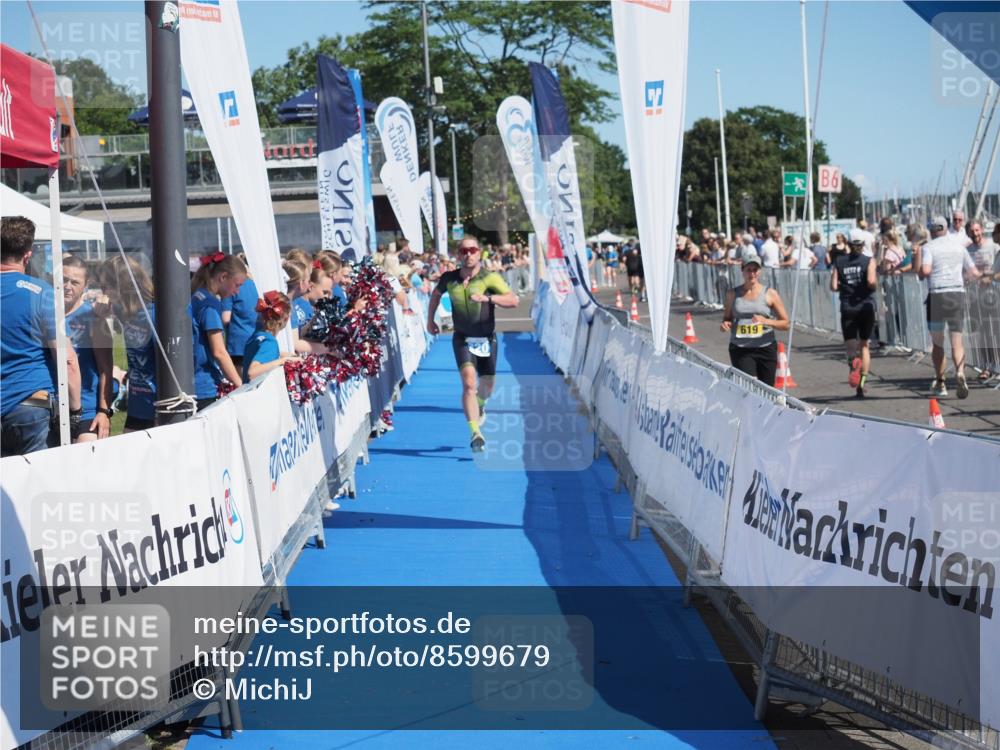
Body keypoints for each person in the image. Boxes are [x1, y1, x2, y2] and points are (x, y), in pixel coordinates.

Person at [425, 237, 519, 452]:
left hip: (486, 338)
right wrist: (430, 320)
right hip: (462, 338)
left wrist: (488, 299)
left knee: (487, 385)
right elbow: (435, 296)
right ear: (458, 254)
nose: (468, 254)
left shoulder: (489, 277)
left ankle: (481, 405)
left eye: (472, 250)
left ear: (479, 252)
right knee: (469, 384)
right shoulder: (449, 278)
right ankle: (475, 432)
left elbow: (513, 300)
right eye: (464, 251)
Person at [1, 216, 82, 455]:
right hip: (31, 404)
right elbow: (67, 360)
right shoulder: (41, 294)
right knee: (40, 476)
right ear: (27, 256)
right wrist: (75, 411)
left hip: (22, 404)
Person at [919, 215, 981, 398]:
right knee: (957, 340)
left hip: (937, 294)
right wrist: (964, 278)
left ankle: (941, 383)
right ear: (946, 228)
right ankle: (960, 372)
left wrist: (921, 269)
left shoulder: (928, 247)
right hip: (956, 293)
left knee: (938, 343)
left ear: (932, 230)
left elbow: (926, 270)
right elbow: (974, 272)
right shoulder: (958, 247)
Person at [95, 255, 158, 431]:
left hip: (157, 403)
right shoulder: (122, 311)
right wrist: (99, 317)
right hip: (137, 402)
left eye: (105, 286)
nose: (103, 292)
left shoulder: (154, 315)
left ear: (122, 285)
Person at [720, 252, 790, 387]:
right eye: (748, 270)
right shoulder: (732, 294)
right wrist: (725, 324)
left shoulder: (770, 293)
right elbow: (727, 318)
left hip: (765, 347)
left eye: (755, 270)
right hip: (741, 348)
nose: (752, 273)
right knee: (748, 387)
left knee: (767, 389)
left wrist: (766, 321)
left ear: (760, 271)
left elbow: (786, 324)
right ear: (742, 270)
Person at [63, 255, 114, 442]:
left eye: (75, 282)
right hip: (53, 408)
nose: (67, 286)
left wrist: (103, 411)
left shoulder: (93, 318)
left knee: (86, 456)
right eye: (64, 280)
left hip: (87, 409)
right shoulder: (46, 315)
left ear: (85, 285)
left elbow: (105, 369)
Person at [191, 253, 246, 410]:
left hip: (194, 381)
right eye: (237, 285)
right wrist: (240, 385)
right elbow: (219, 352)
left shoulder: (198, 296)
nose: (237, 291)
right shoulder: (210, 305)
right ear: (223, 277)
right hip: (205, 386)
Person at [832, 232, 878, 397]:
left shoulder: (839, 261)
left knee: (851, 345)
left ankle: (853, 363)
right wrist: (873, 286)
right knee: (864, 345)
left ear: (848, 244)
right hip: (865, 306)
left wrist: (845, 286)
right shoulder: (869, 261)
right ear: (862, 245)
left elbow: (833, 286)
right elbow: (871, 281)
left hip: (847, 307)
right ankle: (862, 383)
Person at [242, 290, 302, 381]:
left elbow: (264, 352)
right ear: (285, 320)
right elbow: (252, 372)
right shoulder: (270, 343)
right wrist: (284, 361)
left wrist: (289, 356)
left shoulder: (258, 336)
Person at [221, 254, 259, 374]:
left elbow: (226, 318)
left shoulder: (231, 286)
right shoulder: (256, 284)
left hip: (238, 345)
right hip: (256, 341)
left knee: (241, 382)